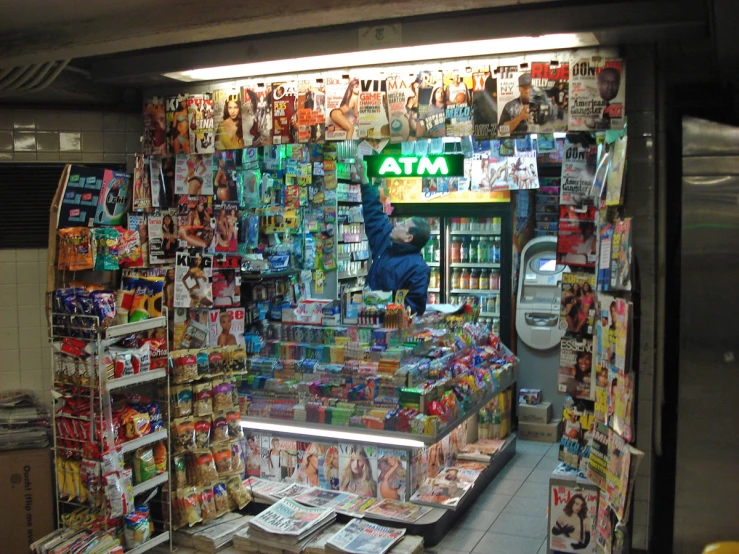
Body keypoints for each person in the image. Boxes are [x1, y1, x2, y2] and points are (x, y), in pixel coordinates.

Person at [356, 160, 431, 316]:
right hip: (369, 320)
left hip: (392, 330)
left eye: (402, 226)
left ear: (408, 237)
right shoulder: (386, 241)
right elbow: (374, 215)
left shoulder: (418, 269)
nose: (396, 225)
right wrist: (363, 181)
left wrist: (386, 310)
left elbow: (414, 308)